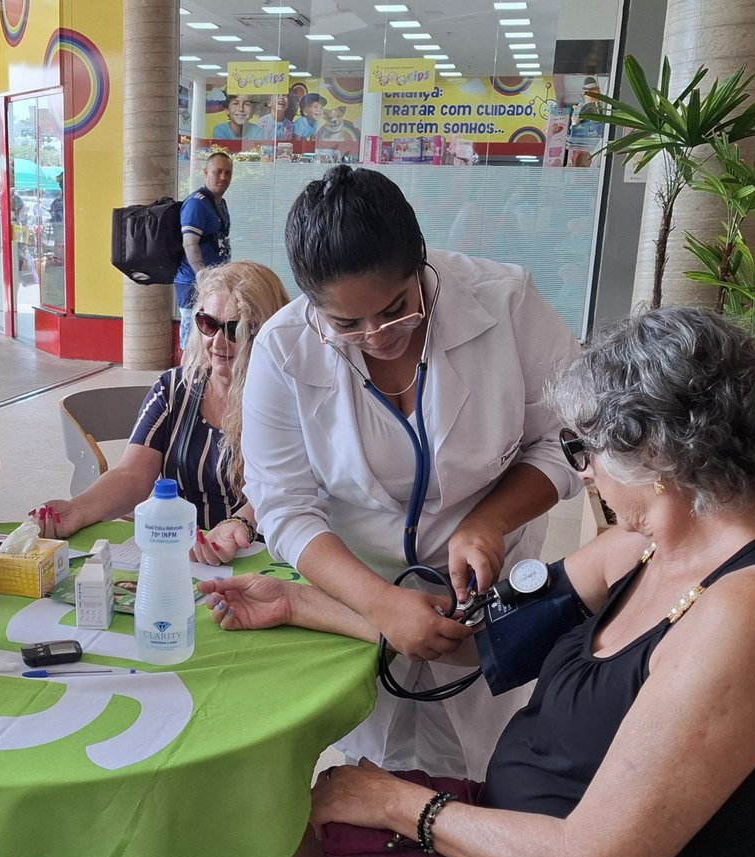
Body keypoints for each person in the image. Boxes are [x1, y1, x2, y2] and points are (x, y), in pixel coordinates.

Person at [206, 307, 755, 857]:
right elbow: (479, 639)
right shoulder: (641, 547)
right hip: (514, 839)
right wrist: (298, 603)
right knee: (255, 841)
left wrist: (396, 804)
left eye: (585, 452)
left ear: (656, 459)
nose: (586, 474)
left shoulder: (752, 618)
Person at [239, 164, 581, 779]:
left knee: (495, 762)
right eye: (346, 324)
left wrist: (488, 524)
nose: (377, 337)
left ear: (421, 263)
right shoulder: (283, 347)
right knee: (379, 764)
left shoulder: (506, 303)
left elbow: (569, 439)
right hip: (358, 589)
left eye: (397, 308)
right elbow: (284, 506)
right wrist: (378, 605)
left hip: (485, 587)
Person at [33, 261, 288, 564]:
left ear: (266, 333)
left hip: (265, 553)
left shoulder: (289, 396)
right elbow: (133, 473)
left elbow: (290, 485)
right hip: (182, 553)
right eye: (208, 324)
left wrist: (241, 524)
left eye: (236, 330)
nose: (218, 342)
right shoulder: (174, 388)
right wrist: (80, 509)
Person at [176, 152, 234, 347]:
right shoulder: (197, 203)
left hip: (212, 281)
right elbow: (189, 244)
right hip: (194, 282)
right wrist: (202, 275)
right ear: (206, 172)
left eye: (228, 173)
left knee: (207, 336)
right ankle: (184, 376)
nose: (223, 177)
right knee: (191, 338)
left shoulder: (219, 203)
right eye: (218, 172)